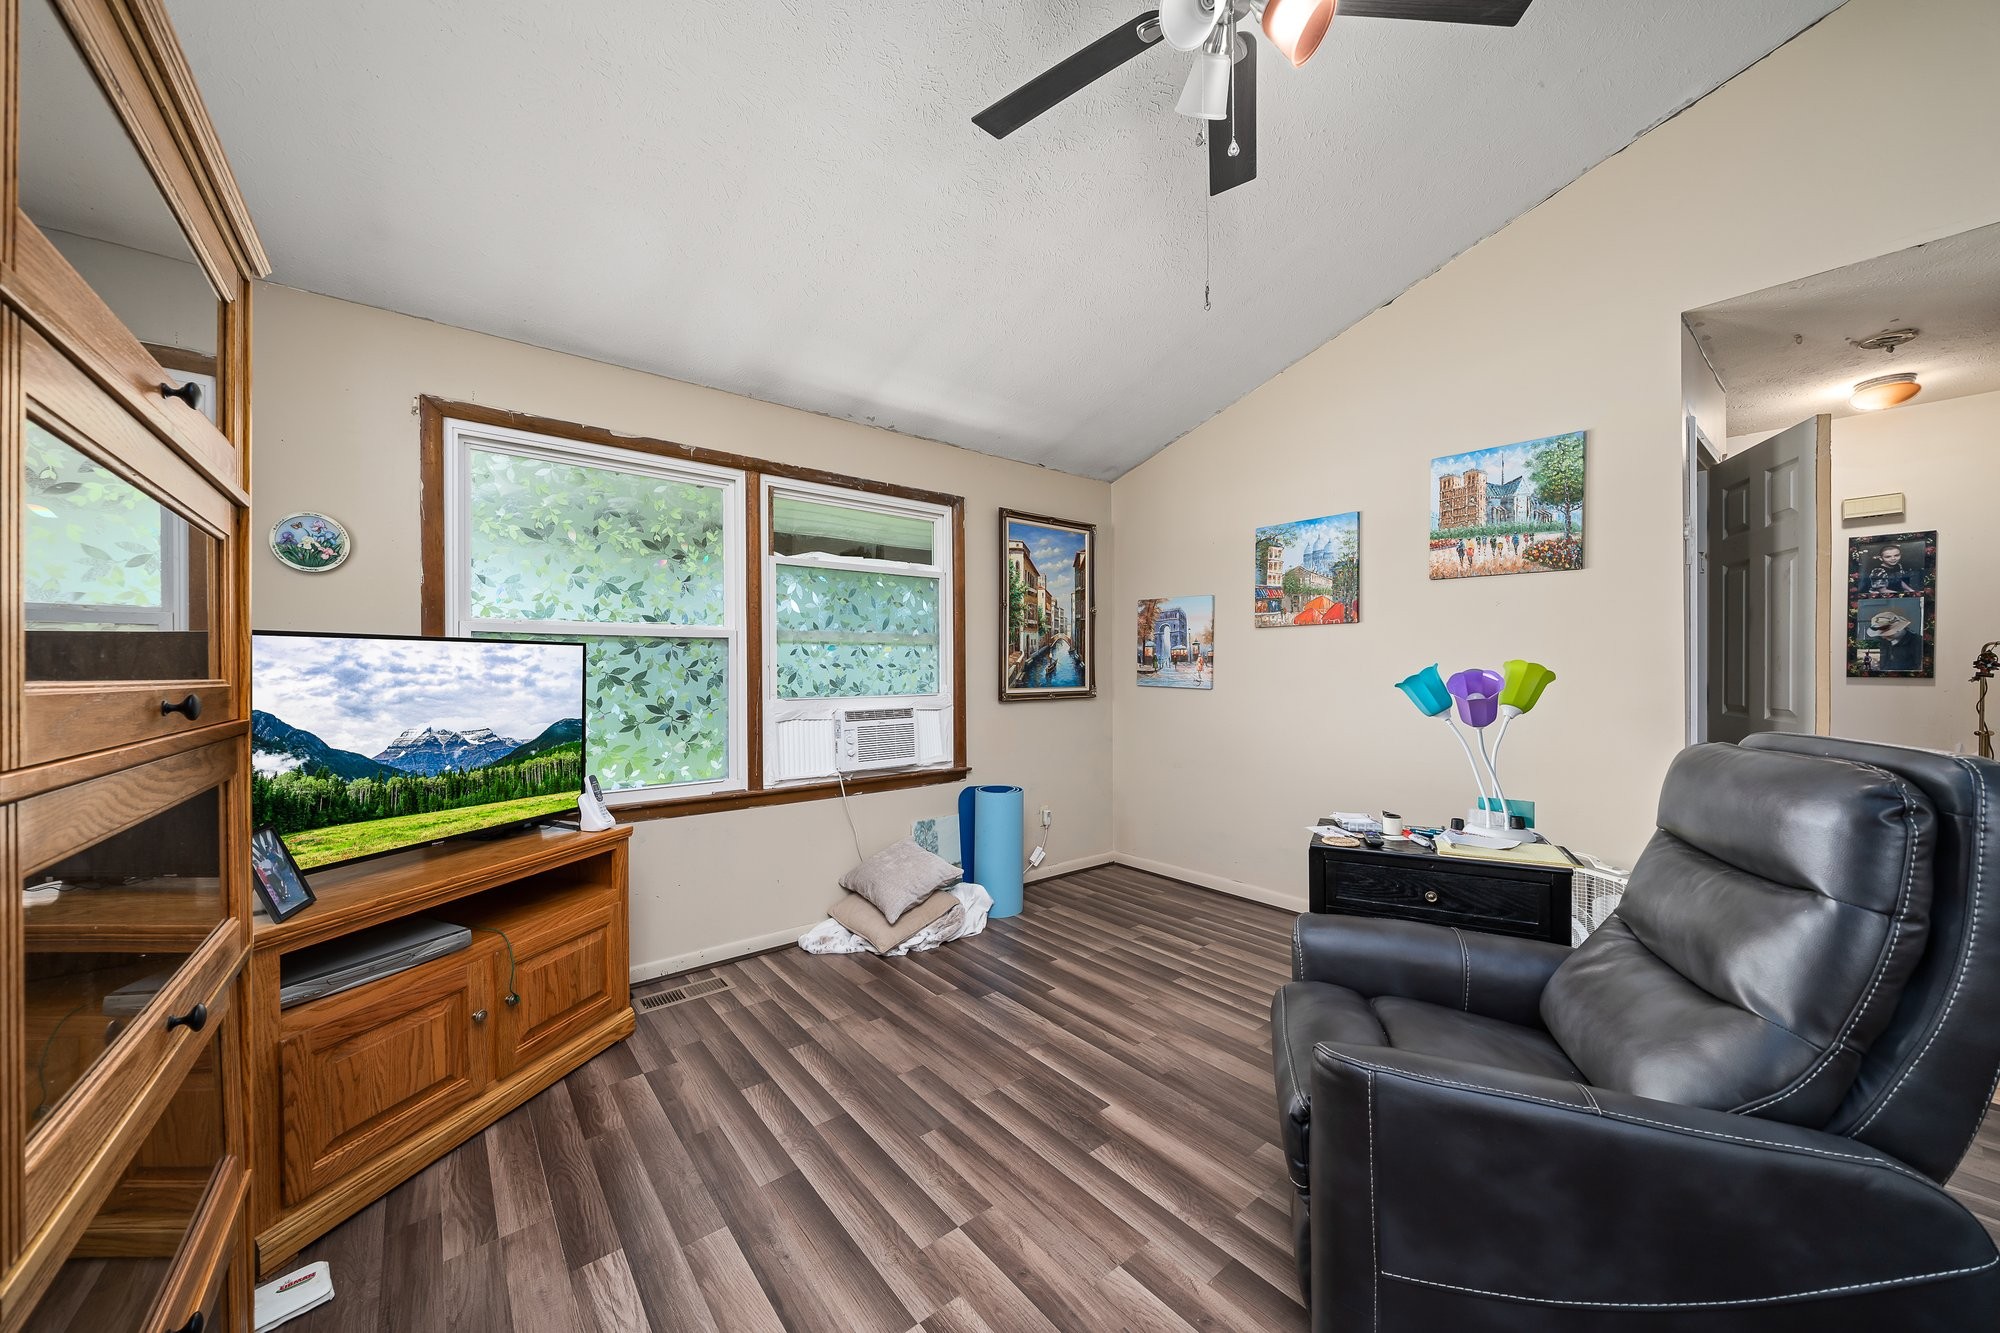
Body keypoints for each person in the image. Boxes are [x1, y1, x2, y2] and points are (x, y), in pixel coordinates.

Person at [1868, 607, 1923, 672]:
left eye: (1887, 634)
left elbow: (1918, 668)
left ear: (1899, 628)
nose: (1883, 637)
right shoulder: (1884, 641)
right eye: (1881, 635)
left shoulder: (1918, 641)